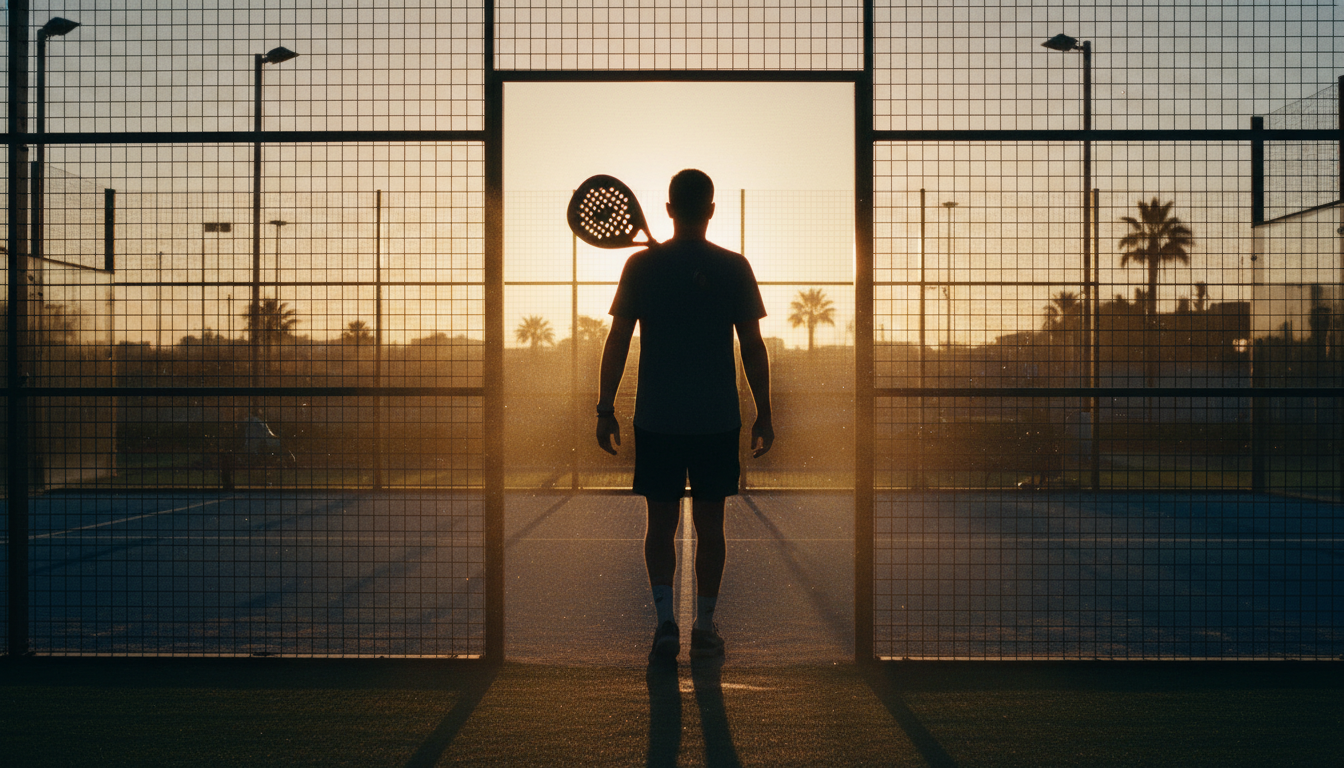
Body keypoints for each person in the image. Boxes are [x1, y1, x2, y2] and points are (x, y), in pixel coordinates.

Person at [595, 169, 774, 664]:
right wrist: (764, 413)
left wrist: (605, 408)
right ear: (711, 210)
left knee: (660, 524)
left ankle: (665, 625)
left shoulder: (641, 266)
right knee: (711, 527)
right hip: (717, 418)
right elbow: (752, 347)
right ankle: (706, 626)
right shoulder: (735, 266)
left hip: (657, 419)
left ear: (670, 209)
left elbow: (617, 342)